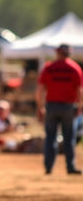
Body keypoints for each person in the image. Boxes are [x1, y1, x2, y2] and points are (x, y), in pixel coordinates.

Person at [35, 44, 83, 175]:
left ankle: (49, 168)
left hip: (51, 106)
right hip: (68, 107)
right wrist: (80, 106)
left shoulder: (49, 68)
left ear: (58, 53)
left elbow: (40, 90)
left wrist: (40, 107)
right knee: (69, 139)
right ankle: (71, 167)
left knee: (51, 137)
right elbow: (79, 91)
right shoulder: (75, 68)